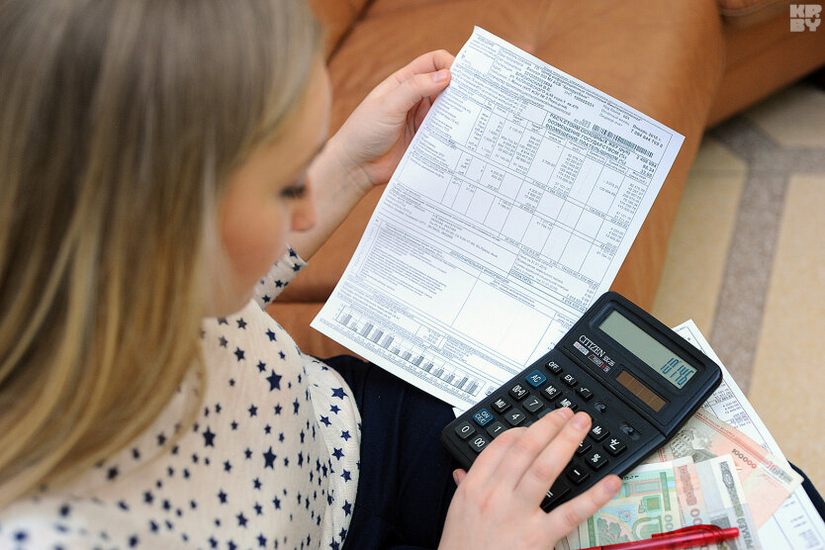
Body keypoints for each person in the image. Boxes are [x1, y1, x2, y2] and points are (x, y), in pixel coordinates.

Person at [0, 1, 622, 548]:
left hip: (352, 432)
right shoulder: (48, 531)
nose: (308, 210)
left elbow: (226, 277)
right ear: (160, 229)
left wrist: (349, 164)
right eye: (288, 184)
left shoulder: (111, 271)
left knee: (602, 441)